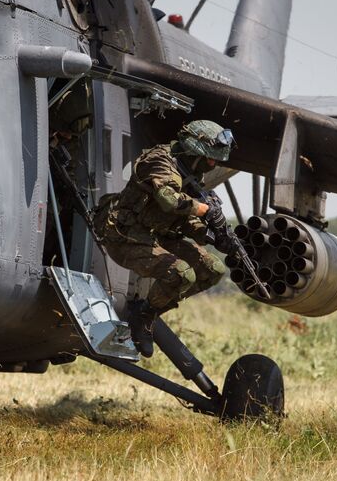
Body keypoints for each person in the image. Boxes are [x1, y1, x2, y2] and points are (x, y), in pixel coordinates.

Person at [93, 120, 236, 357]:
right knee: (181, 274)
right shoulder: (160, 161)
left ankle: (148, 312)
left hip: (160, 235)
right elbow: (169, 199)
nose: (213, 164)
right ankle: (143, 317)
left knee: (214, 270)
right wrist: (204, 210)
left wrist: (211, 235)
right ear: (194, 151)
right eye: (210, 158)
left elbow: (184, 217)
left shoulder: (190, 172)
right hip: (127, 236)